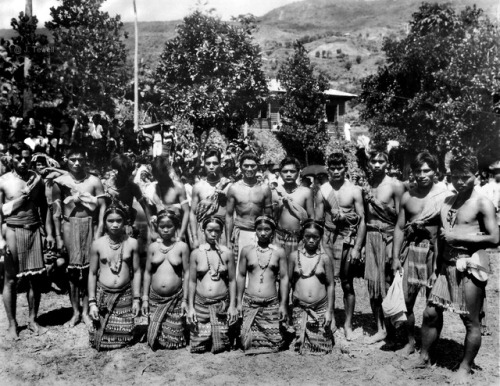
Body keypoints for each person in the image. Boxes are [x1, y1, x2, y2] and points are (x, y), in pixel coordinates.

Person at [413, 155, 499, 384]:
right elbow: (440, 236)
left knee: (470, 321)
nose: (461, 181)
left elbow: (495, 237)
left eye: (466, 177)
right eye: (456, 177)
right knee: (430, 313)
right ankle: (424, 356)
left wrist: (459, 235)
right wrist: (435, 266)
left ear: (476, 176)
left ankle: (465, 367)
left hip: (471, 265)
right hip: (445, 265)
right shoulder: (449, 201)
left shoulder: (482, 203)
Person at [392, 152, 452, 355]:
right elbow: (399, 227)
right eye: (417, 170)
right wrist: (394, 258)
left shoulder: (444, 197)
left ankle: (428, 349)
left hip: (435, 253)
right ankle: (410, 342)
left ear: (436, 172)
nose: (422, 174)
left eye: (426, 170)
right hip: (411, 251)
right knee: (406, 302)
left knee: (434, 305)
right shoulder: (408, 196)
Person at [0, 145, 54, 339]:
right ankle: (12, 324)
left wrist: (49, 233)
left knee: (35, 279)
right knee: (11, 279)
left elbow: (44, 208)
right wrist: (1, 241)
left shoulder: (36, 180)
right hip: (12, 230)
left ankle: (32, 319)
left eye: (26, 158)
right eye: (18, 158)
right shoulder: (4, 181)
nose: (23, 161)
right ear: (11, 158)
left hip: (33, 230)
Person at [52, 147, 106, 327]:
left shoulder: (94, 180)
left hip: (90, 225)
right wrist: (58, 237)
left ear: (85, 160)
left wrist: (99, 230)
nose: (76, 163)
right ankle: (75, 312)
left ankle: (86, 310)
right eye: (72, 159)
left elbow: (103, 207)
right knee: (73, 271)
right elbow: (56, 211)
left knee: (90, 269)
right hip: (69, 226)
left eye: (80, 159)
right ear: (66, 159)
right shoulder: (59, 182)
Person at [314, 152, 365, 340]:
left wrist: (357, 248)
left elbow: (362, 220)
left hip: (347, 239)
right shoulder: (323, 190)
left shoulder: (355, 190)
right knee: (329, 281)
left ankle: (348, 324)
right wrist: (318, 246)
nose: (336, 171)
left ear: (346, 168)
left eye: (340, 168)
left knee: (347, 282)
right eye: (333, 168)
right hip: (328, 238)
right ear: (328, 169)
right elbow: (318, 221)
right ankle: (332, 318)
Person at [362, 151, 404, 344]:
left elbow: (400, 218)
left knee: (388, 284)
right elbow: (364, 218)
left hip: (388, 237)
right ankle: (380, 328)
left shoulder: (395, 185)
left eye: (381, 161)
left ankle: (395, 330)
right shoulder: (367, 185)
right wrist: (361, 244)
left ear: (387, 163)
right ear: (369, 163)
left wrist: (375, 202)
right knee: (373, 285)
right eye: (374, 161)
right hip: (370, 237)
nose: (377, 164)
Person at [88, 204, 141, 351]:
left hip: (125, 295)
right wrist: (92, 302)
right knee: (98, 340)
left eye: (119, 220)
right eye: (110, 221)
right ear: (104, 222)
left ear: (125, 222)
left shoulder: (132, 243)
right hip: (103, 295)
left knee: (126, 338)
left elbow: (136, 271)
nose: (115, 224)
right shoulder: (98, 244)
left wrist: (137, 299)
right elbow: (92, 273)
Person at [236, 216, 288, 354]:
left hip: (270, 304)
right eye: (259, 229)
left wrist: (283, 305)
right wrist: (238, 302)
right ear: (255, 231)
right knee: (246, 342)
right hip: (250, 302)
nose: (263, 233)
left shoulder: (279, 252)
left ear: (273, 231)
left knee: (276, 342)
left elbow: (284, 278)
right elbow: (241, 275)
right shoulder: (247, 250)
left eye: (267, 229)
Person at [187, 216, 238, 353]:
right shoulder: (196, 254)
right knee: (198, 347)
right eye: (210, 230)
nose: (213, 234)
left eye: (217, 231)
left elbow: (233, 280)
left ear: (222, 232)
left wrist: (232, 305)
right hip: (200, 305)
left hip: (220, 305)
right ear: (203, 230)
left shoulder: (227, 253)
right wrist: (190, 307)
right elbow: (191, 281)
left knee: (223, 345)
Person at [142, 209, 189, 350]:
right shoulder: (153, 247)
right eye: (162, 226)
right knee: (154, 339)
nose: (166, 229)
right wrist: (144, 298)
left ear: (176, 227)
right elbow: (147, 273)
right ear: (157, 227)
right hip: (155, 299)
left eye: (170, 226)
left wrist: (185, 300)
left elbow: (187, 274)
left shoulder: (182, 247)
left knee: (174, 342)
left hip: (175, 299)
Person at [289, 219, 335, 354]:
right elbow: (287, 282)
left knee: (324, 347)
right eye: (307, 236)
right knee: (300, 342)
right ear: (302, 236)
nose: (310, 240)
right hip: (300, 307)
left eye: (315, 237)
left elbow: (331, 285)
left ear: (320, 238)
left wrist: (329, 311)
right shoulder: (294, 256)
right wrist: (285, 305)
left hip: (320, 307)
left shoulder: (324, 258)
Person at [226, 152, 273, 266]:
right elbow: (229, 215)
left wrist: (269, 238)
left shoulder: (264, 189)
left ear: (258, 167)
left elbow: (268, 216)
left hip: (259, 233)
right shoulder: (234, 188)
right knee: (240, 268)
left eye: (253, 166)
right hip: (240, 232)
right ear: (240, 167)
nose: (249, 169)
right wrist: (228, 240)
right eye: (246, 166)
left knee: (257, 267)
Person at [189, 148, 232, 249]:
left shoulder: (228, 186)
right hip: (203, 231)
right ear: (204, 164)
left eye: (215, 163)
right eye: (208, 163)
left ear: (220, 164)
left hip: (222, 233)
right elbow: (193, 213)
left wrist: (229, 240)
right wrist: (195, 238)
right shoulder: (198, 187)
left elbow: (231, 214)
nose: (211, 167)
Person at [274, 157, 314, 257]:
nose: (288, 174)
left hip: (299, 238)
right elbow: (270, 218)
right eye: (285, 171)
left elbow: (311, 217)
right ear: (280, 173)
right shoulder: (274, 192)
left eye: (292, 171)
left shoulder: (306, 192)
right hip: (278, 237)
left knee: (297, 268)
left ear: (298, 173)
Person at [146, 155, 189, 241]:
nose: (160, 179)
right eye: (157, 176)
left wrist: (180, 235)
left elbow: (186, 212)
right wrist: (152, 231)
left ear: (167, 171)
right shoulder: (152, 188)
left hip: (176, 232)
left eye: (161, 175)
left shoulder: (178, 187)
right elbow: (148, 211)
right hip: (159, 232)